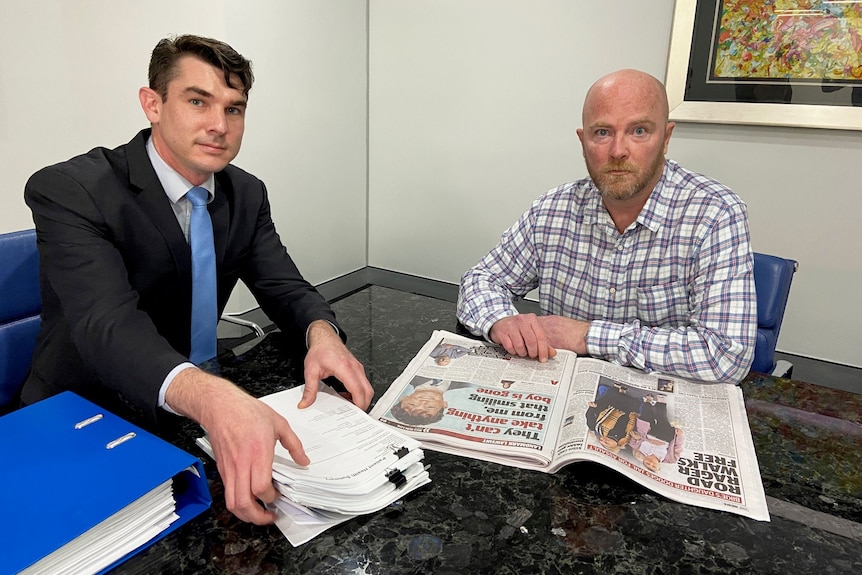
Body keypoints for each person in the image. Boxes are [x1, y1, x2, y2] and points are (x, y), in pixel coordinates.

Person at [22, 35, 373, 526]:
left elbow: (285, 288)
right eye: (196, 101)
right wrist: (214, 398)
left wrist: (322, 333)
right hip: (86, 411)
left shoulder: (245, 192)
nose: (219, 125)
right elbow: (107, 324)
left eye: (235, 109)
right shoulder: (73, 190)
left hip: (193, 409)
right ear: (153, 104)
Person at [457, 69, 757, 384]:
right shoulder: (553, 209)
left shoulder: (715, 213)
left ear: (665, 139)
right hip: (557, 389)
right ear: (583, 140)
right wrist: (500, 320)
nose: (617, 151)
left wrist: (586, 335)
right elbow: (482, 280)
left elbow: (726, 354)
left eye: (639, 131)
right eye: (602, 132)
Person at [389, 377, 471, 425]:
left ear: (403, 398)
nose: (424, 401)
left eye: (413, 404)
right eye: (430, 406)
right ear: (444, 404)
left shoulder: (410, 377)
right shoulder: (466, 384)